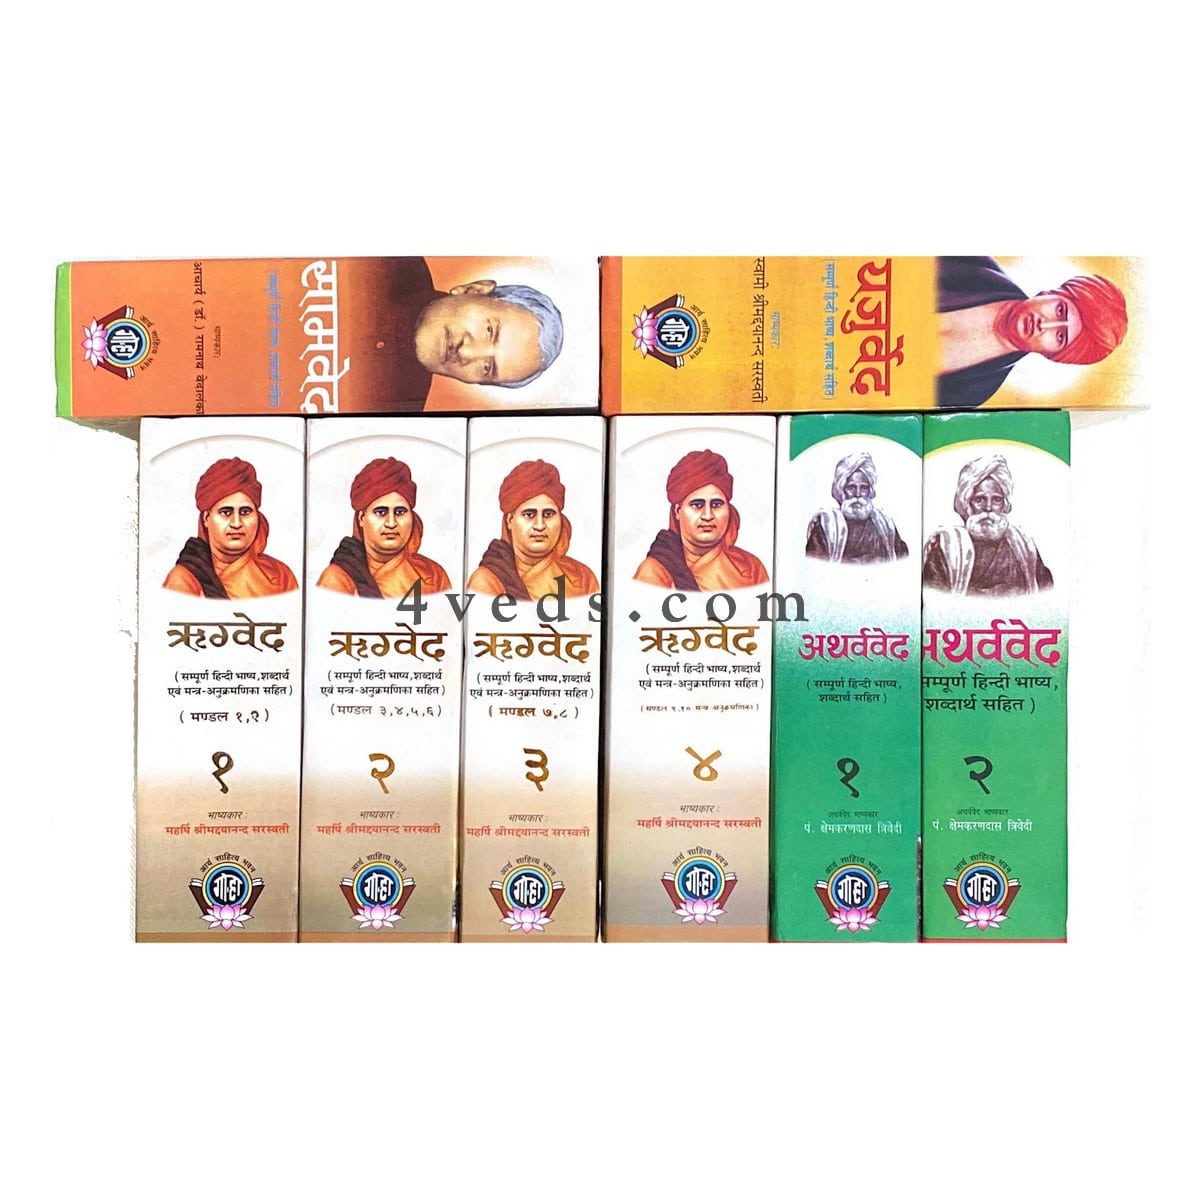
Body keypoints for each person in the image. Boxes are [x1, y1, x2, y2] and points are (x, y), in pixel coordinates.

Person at [342, 259, 564, 412]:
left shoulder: (397, 413)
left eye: (487, 367)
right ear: (474, 290)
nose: (466, 352)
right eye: (489, 331)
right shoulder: (384, 262)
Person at [936, 256, 1128, 409]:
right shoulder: (970, 261)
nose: (1045, 325)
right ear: (1048, 294)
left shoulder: (974, 392)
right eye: (1059, 310)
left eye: (1060, 336)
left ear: (1052, 355)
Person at [634, 449, 769, 592]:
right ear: (678, 511)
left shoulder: (750, 568)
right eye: (697, 505)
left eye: (716, 505)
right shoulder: (654, 572)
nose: (708, 516)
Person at [317, 457, 451, 599]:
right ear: (361, 518)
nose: (391, 523)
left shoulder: (433, 575)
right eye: (381, 512)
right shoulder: (337, 579)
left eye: (400, 512)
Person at [163, 457, 298, 598]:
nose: (236, 523)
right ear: (206, 518)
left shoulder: (280, 575)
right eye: (226, 513)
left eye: (245, 512)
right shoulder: (184, 581)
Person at [467, 459, 598, 600]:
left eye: (548, 514)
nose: (540, 525)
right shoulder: (487, 582)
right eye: (529, 515)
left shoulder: (582, 578)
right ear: (510, 520)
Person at [922, 455, 1052, 596]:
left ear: (1004, 504)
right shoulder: (946, 547)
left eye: (996, 500)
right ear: (967, 504)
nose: (988, 507)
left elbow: (1046, 592)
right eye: (979, 499)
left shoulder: (1024, 546)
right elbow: (935, 598)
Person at [805, 451, 908, 564]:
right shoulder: (827, 525)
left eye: (863, 488)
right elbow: (815, 564)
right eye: (851, 487)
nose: (857, 494)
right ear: (842, 490)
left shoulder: (885, 524)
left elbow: (903, 559)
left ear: (870, 491)